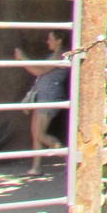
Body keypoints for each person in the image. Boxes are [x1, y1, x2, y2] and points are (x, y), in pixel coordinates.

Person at [14, 31, 68, 174]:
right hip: (42, 96)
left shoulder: (60, 55)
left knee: (40, 134)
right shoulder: (53, 55)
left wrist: (22, 59)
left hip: (50, 97)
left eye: (50, 39)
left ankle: (66, 155)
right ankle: (36, 167)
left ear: (59, 41)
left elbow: (39, 71)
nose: (47, 42)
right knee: (36, 134)